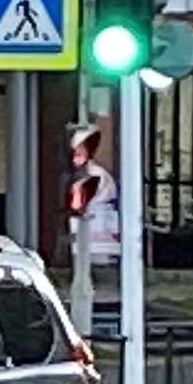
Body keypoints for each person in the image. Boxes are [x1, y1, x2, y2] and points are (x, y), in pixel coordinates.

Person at [65, 122, 117, 334]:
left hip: (95, 227)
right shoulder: (89, 174)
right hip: (89, 227)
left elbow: (82, 201)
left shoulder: (96, 175)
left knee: (89, 264)